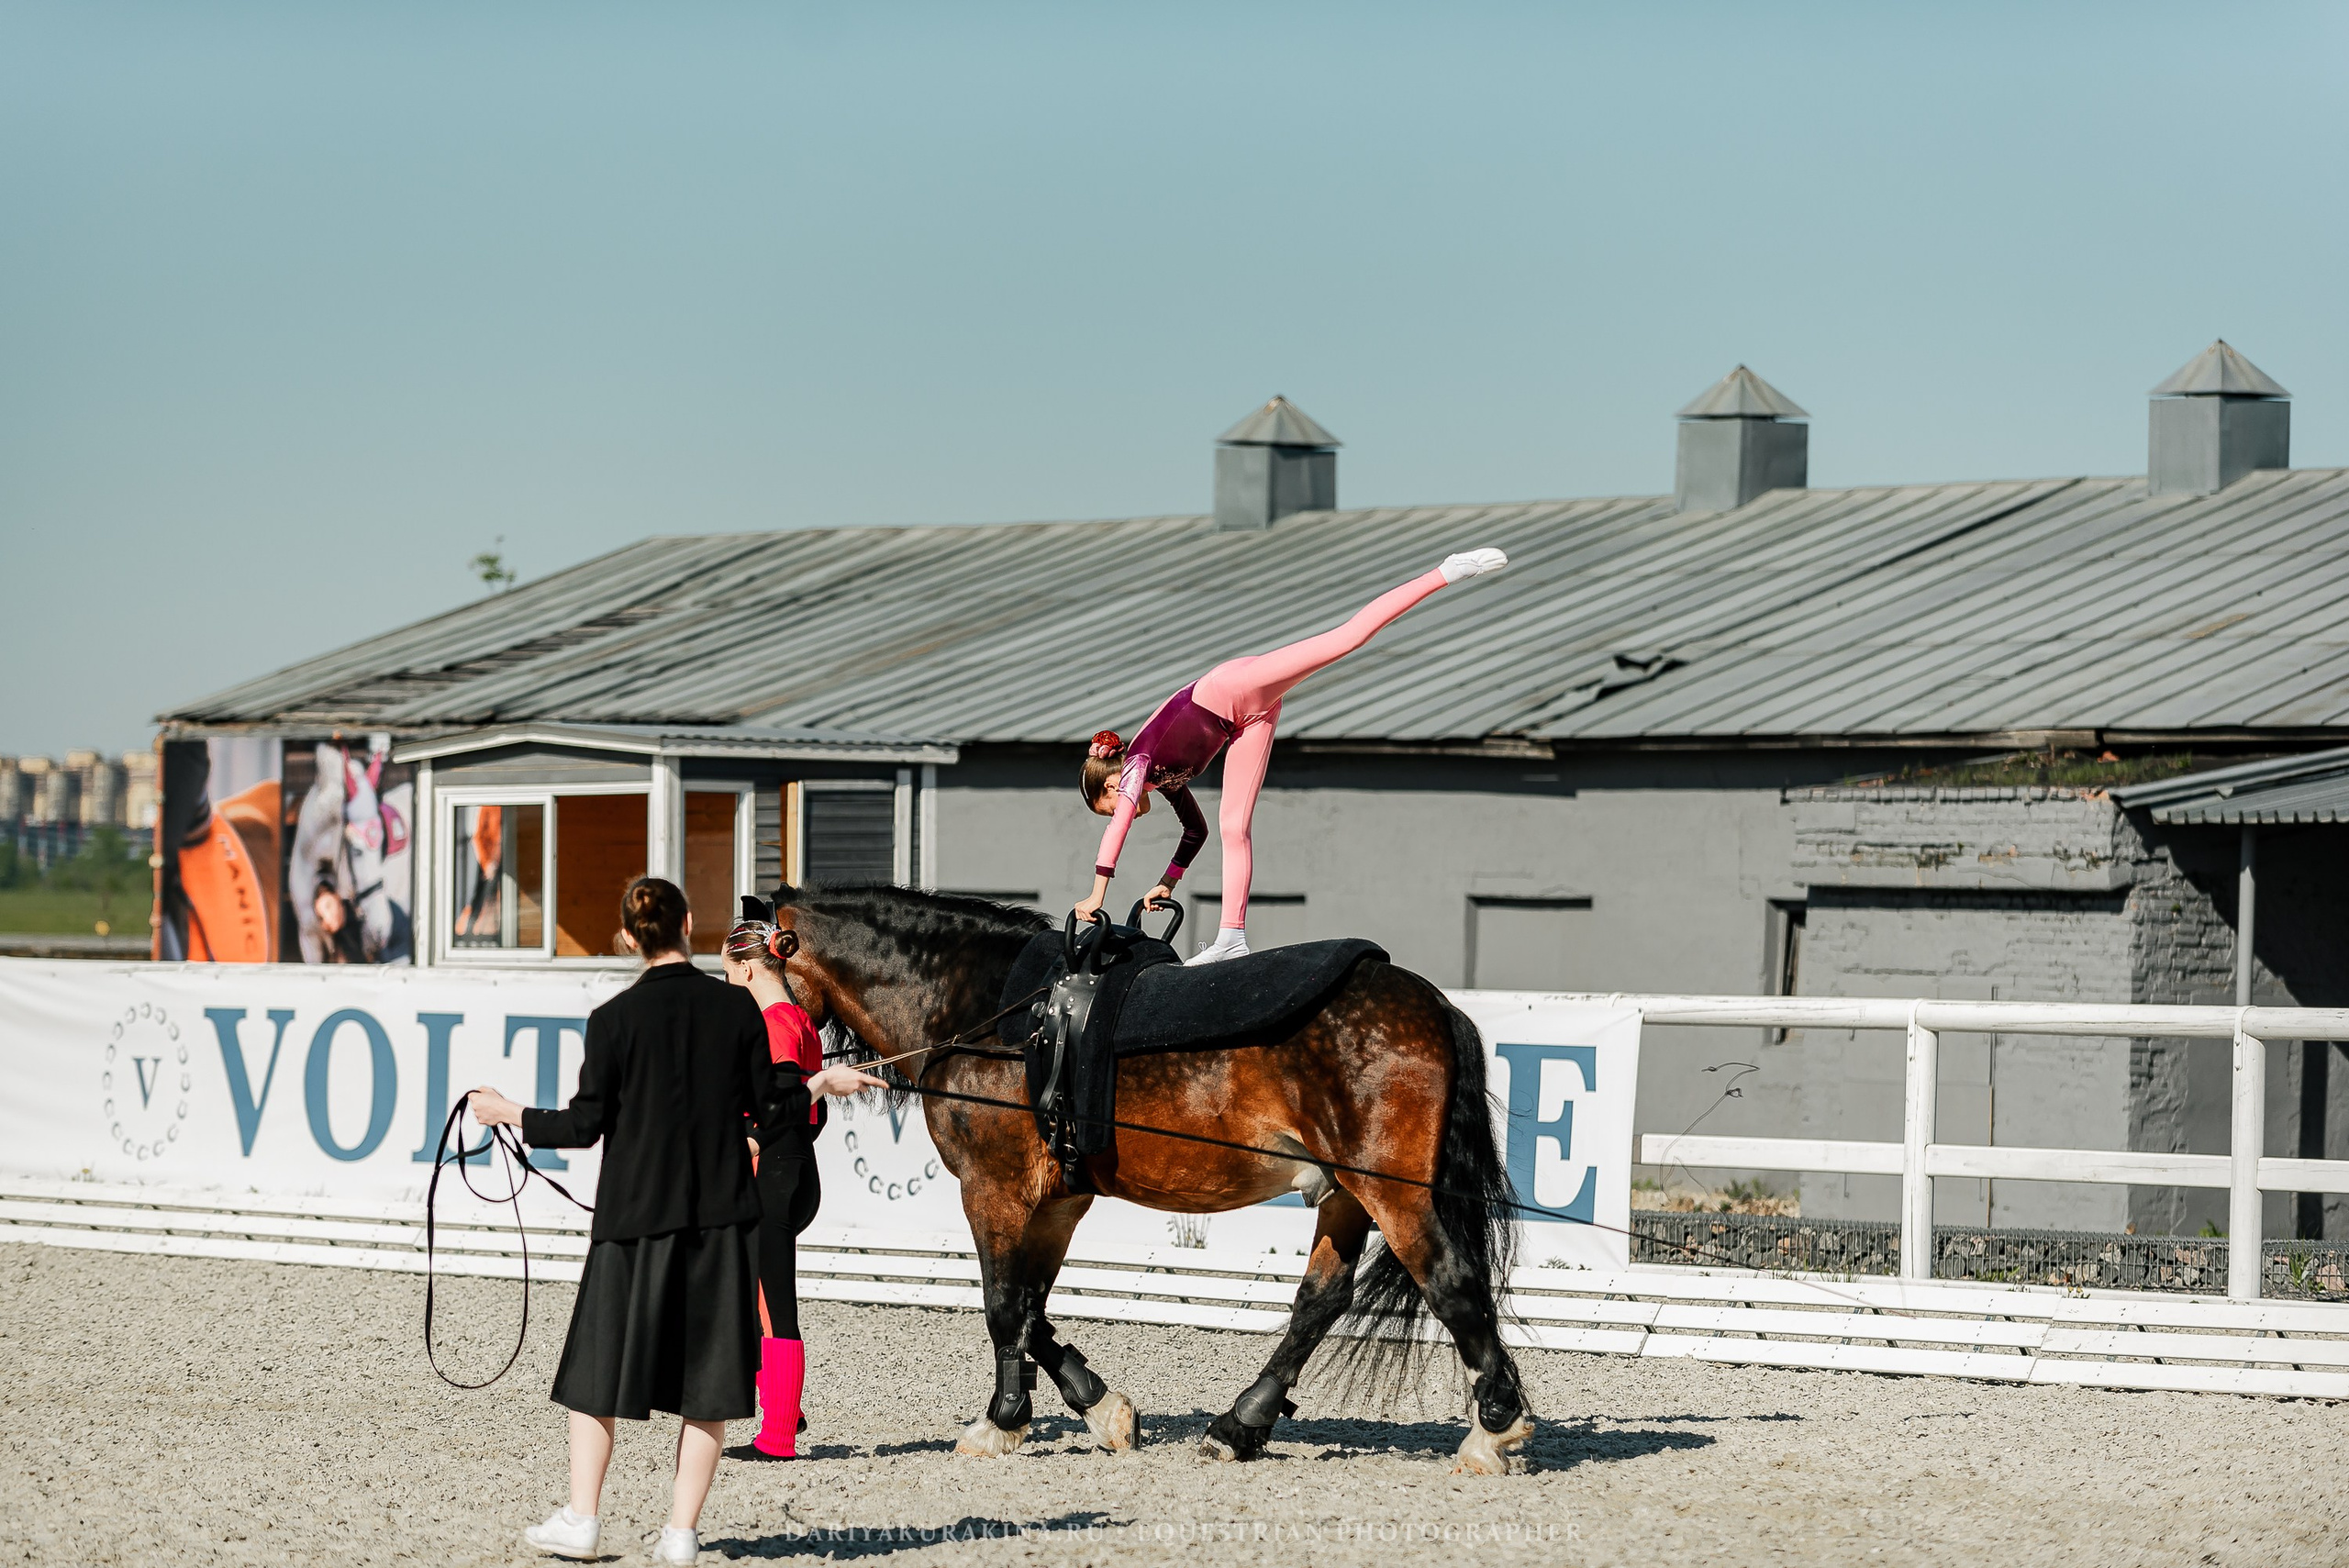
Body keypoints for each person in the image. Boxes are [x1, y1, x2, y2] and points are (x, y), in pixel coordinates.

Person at [467, 878, 879, 1565]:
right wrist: (816, 1082)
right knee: (708, 1384)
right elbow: (773, 1112)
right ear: (688, 923)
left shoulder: (612, 1019)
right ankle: (681, 1534)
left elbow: (581, 1126)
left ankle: (583, 1518)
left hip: (633, 1220)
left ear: (631, 937)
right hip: (721, 1219)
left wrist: (508, 1111)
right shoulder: (738, 1011)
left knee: (597, 1374)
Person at [1077, 549, 1509, 963]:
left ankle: (1446, 571)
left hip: (1231, 690)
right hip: (1245, 720)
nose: (1124, 813)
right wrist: (1169, 882)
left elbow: (1116, 832)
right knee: (1233, 827)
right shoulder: (1163, 781)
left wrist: (1097, 895)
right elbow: (1195, 832)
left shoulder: (1136, 764)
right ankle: (1232, 936)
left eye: (1110, 805)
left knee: (1348, 638)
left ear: (1113, 785)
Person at [721, 896, 830, 1459]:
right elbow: (816, 1113)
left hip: (775, 1173)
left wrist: (754, 1137)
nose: (727, 980)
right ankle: (784, 1406)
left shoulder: (777, 1023)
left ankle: (780, 1434)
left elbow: (790, 1100)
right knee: (756, 1295)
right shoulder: (801, 1019)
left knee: (773, 1301)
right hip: (794, 1168)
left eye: (726, 970)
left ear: (746, 967)